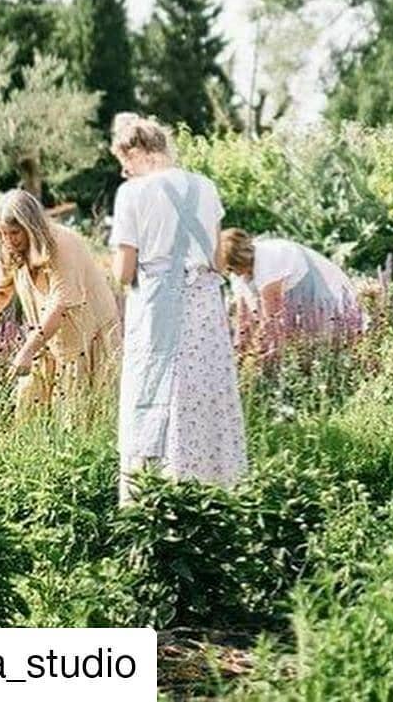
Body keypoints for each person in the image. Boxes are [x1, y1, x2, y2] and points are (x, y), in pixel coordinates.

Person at [110, 112, 246, 502]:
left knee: (155, 397)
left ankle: (157, 499)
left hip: (157, 309)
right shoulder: (205, 186)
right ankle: (216, 493)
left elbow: (123, 271)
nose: (126, 174)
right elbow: (219, 259)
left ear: (139, 154)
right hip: (205, 306)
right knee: (205, 393)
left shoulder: (133, 194)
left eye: (125, 165)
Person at [0, 190, 121, 417]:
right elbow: (1, 289)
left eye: (15, 233)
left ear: (30, 228)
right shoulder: (8, 247)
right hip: (47, 334)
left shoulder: (62, 244)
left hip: (86, 333)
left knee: (78, 415)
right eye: (3, 234)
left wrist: (27, 350)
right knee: (29, 408)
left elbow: (60, 304)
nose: (8, 240)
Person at [218, 228, 359, 336]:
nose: (230, 272)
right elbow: (243, 314)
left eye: (231, 268)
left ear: (239, 261)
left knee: (330, 335)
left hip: (319, 292)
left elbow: (272, 316)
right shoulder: (238, 272)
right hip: (296, 303)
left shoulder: (269, 259)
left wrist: (257, 345)